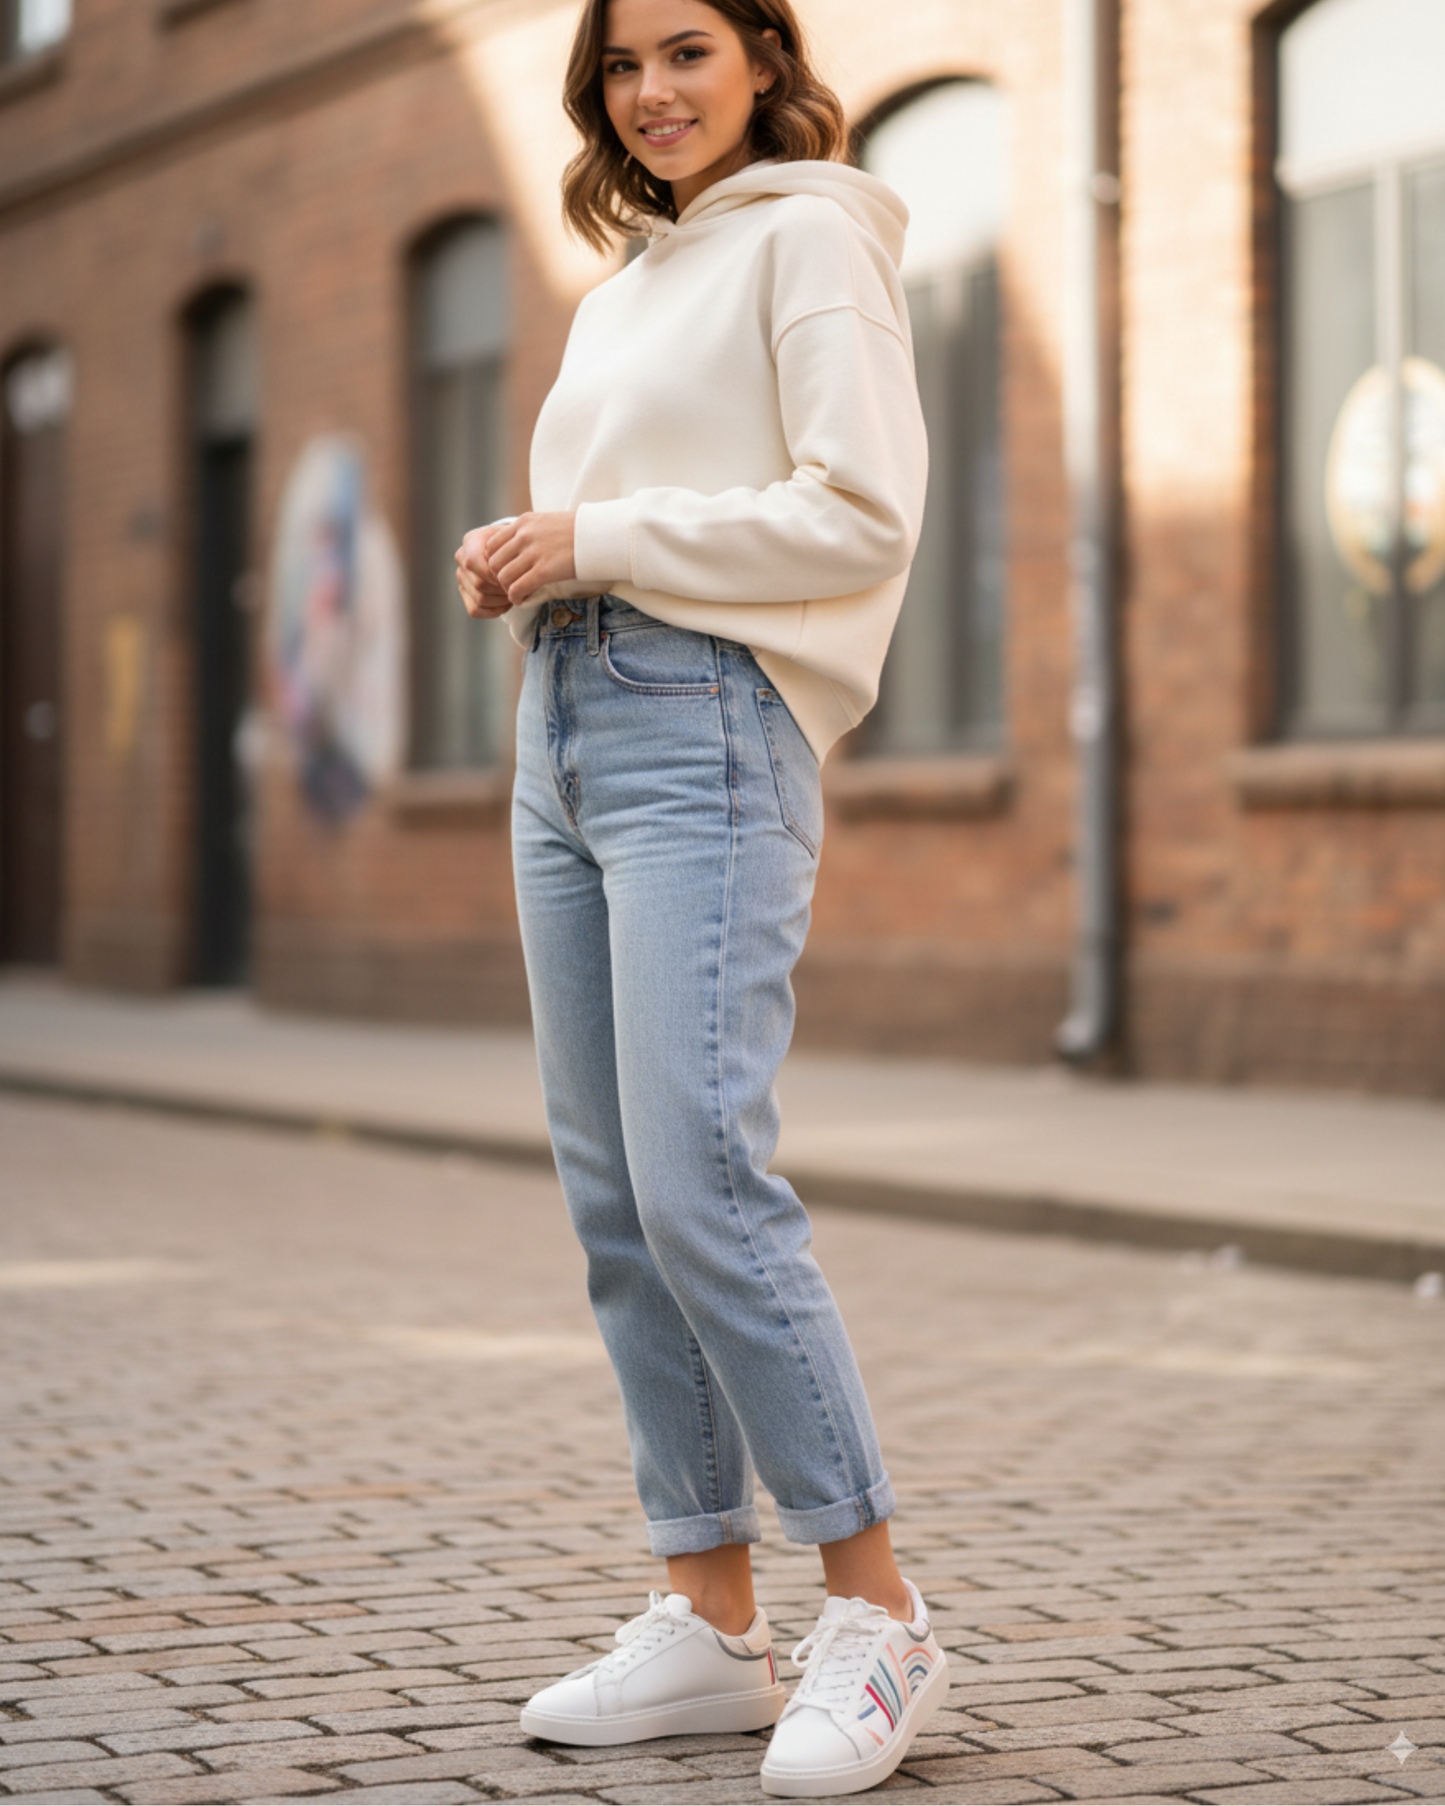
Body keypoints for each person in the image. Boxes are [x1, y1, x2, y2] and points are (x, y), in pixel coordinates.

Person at [455, 0, 940, 1793]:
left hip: (706, 724)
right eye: (621, 67)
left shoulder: (812, 234)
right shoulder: (626, 287)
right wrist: (538, 553)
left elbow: (862, 514)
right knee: (614, 1200)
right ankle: (710, 1619)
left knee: (702, 1177)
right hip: (566, 720)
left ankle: (879, 1618)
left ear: (760, 56)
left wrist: (603, 533)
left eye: (686, 51)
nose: (649, 92)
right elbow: (633, 508)